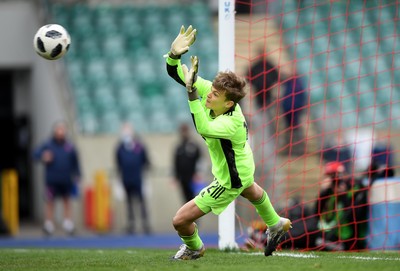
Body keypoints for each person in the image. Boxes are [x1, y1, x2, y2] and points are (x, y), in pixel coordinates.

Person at [165, 25, 292, 260]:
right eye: (210, 90)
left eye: (215, 94)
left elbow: (203, 127)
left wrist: (192, 93)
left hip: (229, 179)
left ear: (228, 104)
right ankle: (275, 224)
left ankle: (194, 246)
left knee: (180, 220)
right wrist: (174, 56)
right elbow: (178, 75)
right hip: (243, 166)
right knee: (252, 190)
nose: (209, 95)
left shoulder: (230, 123)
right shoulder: (217, 96)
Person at [33, 121, 81, 236]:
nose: (60, 131)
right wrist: (43, 156)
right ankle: (49, 225)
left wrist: (78, 175)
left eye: (62, 129)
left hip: (66, 179)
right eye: (58, 129)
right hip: (52, 180)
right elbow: (35, 154)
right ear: (55, 131)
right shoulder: (48, 145)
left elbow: (76, 162)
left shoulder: (69, 146)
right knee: (50, 202)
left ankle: (68, 224)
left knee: (67, 201)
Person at [115, 122, 151, 234]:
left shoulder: (139, 146)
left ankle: (145, 223)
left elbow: (146, 161)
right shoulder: (120, 148)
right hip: (126, 179)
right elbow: (118, 164)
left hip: (138, 178)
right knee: (129, 202)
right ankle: (131, 224)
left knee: (141, 201)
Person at [173, 123, 202, 203]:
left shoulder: (193, 145)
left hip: (193, 178)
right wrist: (176, 177)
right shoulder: (179, 147)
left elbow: (199, 160)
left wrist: (198, 173)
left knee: (195, 200)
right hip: (183, 178)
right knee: (185, 200)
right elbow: (176, 163)